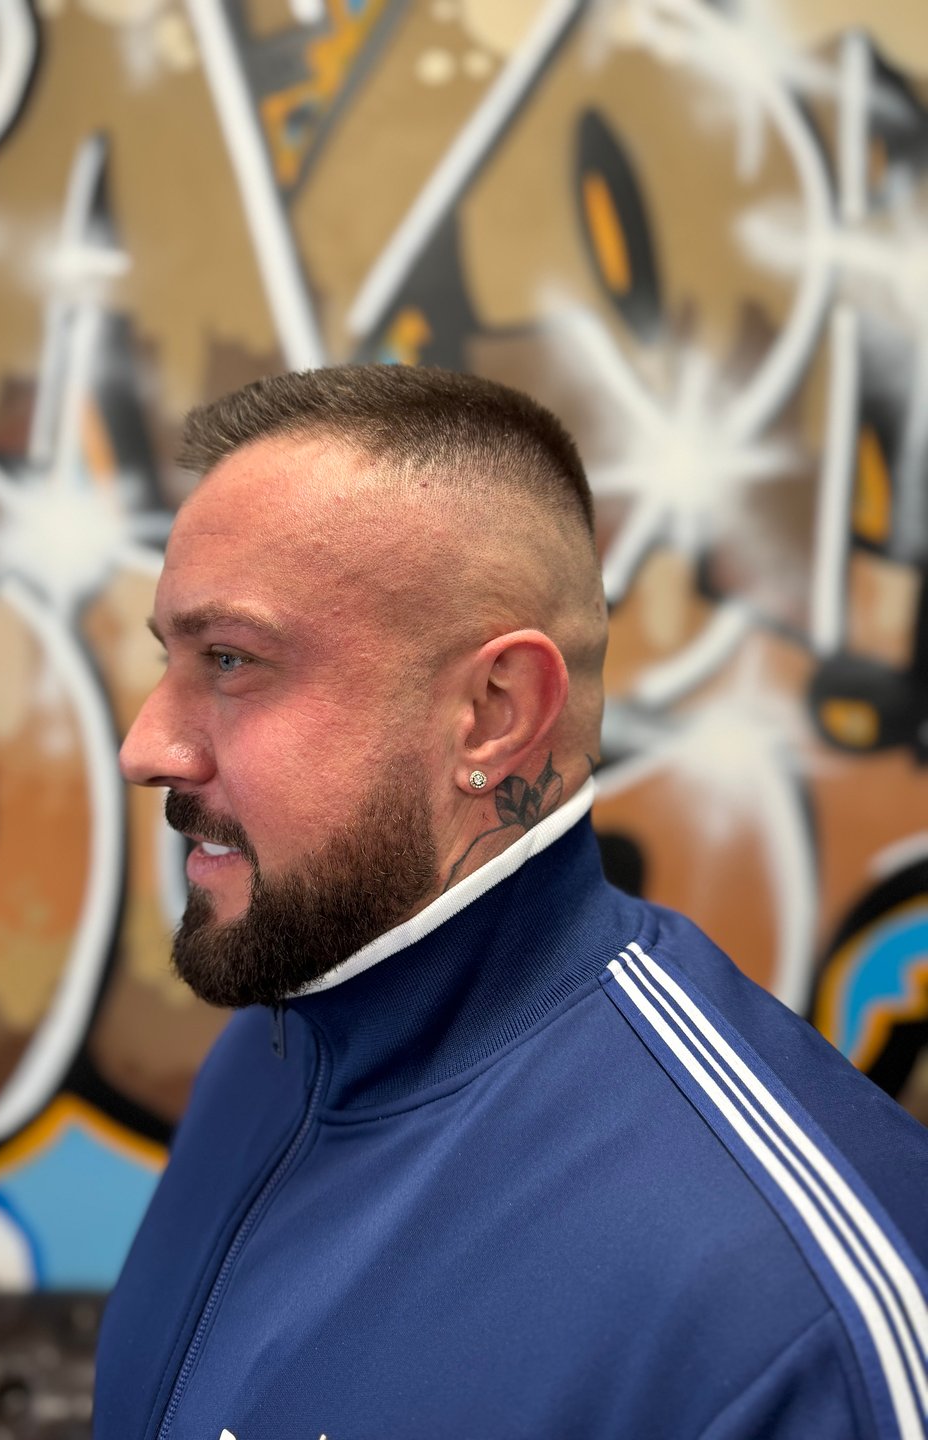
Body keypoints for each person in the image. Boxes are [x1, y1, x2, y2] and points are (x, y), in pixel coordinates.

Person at [95, 366, 928, 1440]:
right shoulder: (270, 1054)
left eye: (230, 660)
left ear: (494, 713)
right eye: (170, 656)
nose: (146, 746)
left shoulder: (794, 1314)